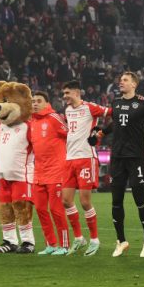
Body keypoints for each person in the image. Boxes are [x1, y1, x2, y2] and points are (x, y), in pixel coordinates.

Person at [89, 71, 144, 257]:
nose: (121, 82)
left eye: (125, 80)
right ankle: (121, 241)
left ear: (134, 84)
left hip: (135, 158)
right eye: (120, 80)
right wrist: (100, 133)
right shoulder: (116, 103)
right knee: (116, 201)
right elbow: (116, 124)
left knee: (139, 199)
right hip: (117, 157)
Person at [61, 80, 110, 256]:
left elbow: (110, 113)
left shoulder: (90, 107)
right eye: (64, 93)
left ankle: (95, 240)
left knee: (84, 201)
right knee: (66, 200)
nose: (64, 96)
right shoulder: (67, 111)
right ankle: (79, 238)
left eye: (67, 93)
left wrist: (100, 132)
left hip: (85, 158)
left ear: (76, 92)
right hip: (69, 159)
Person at [30, 91, 70, 255]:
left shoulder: (53, 118)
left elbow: (70, 134)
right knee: (40, 209)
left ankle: (65, 245)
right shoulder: (32, 121)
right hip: (39, 173)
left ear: (47, 104)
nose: (35, 104)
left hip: (56, 171)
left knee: (56, 210)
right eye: (33, 101)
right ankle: (51, 244)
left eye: (39, 101)